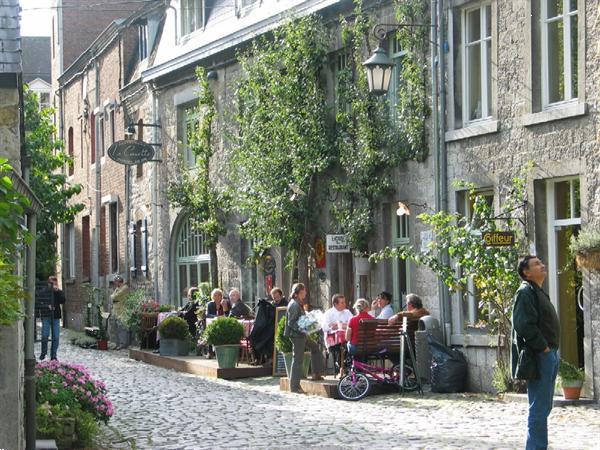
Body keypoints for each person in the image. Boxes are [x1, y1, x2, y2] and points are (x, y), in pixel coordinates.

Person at [512, 255, 560, 450]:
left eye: (541, 263)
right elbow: (523, 324)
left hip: (549, 355)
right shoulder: (525, 292)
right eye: (537, 264)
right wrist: (543, 347)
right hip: (540, 355)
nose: (542, 265)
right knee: (538, 408)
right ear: (526, 272)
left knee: (544, 406)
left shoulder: (537, 291)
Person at [284, 282, 324, 393]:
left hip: (301, 334)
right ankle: (294, 387)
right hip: (297, 335)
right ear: (298, 293)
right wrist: (304, 329)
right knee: (298, 360)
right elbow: (291, 323)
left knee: (315, 347)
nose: (305, 292)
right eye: (304, 291)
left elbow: (299, 319)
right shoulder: (294, 304)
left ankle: (316, 374)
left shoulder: (298, 303)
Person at [322, 294, 353, 376]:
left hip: (346, 337)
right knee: (341, 346)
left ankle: (349, 367)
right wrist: (331, 326)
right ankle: (342, 367)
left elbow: (352, 324)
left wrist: (345, 325)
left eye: (344, 302)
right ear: (335, 304)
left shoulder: (347, 312)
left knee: (350, 345)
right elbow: (324, 327)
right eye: (342, 303)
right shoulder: (328, 313)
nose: (344, 304)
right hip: (332, 340)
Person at [40, 276, 66, 360]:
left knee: (56, 337)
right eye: (51, 283)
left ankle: (53, 355)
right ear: (48, 283)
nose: (53, 285)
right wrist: (47, 306)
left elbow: (63, 300)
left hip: (55, 316)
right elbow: (39, 302)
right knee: (45, 335)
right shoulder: (43, 292)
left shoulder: (58, 292)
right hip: (46, 316)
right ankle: (43, 352)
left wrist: (57, 291)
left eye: (55, 283)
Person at [109, 275, 130, 350]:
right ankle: (117, 343)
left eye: (116, 282)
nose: (115, 284)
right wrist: (113, 296)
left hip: (122, 310)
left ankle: (123, 343)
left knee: (122, 328)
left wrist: (113, 296)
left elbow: (114, 297)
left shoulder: (125, 288)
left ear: (119, 282)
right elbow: (112, 297)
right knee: (116, 328)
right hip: (116, 310)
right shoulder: (118, 288)